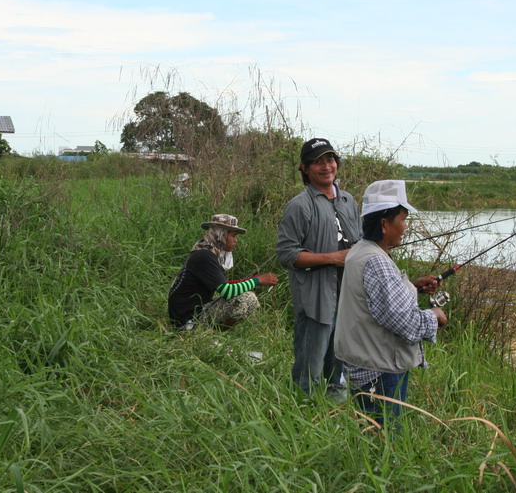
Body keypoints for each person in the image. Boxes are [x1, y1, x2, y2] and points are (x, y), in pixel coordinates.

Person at [335, 180, 447, 424]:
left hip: (365, 364)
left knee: (368, 436)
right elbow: (405, 323)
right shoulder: (377, 262)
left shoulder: (360, 250)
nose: (405, 228)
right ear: (385, 224)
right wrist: (435, 315)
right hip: (380, 370)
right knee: (384, 440)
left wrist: (411, 287)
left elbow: (375, 301)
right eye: (403, 220)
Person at [276, 138, 361, 400]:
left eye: (330, 159)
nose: (326, 166)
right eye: (318, 162)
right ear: (304, 168)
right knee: (309, 368)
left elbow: (359, 242)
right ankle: (303, 415)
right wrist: (333, 258)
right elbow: (287, 254)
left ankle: (334, 413)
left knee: (340, 363)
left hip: (347, 299)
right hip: (315, 300)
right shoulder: (299, 206)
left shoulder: (348, 201)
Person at [168, 214, 278, 331]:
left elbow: (222, 285)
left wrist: (252, 280)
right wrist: (257, 280)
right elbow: (227, 292)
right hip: (186, 319)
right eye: (233, 236)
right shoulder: (205, 256)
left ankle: (207, 334)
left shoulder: (207, 252)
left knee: (244, 298)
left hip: (191, 312)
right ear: (221, 235)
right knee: (248, 299)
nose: (236, 240)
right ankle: (203, 334)